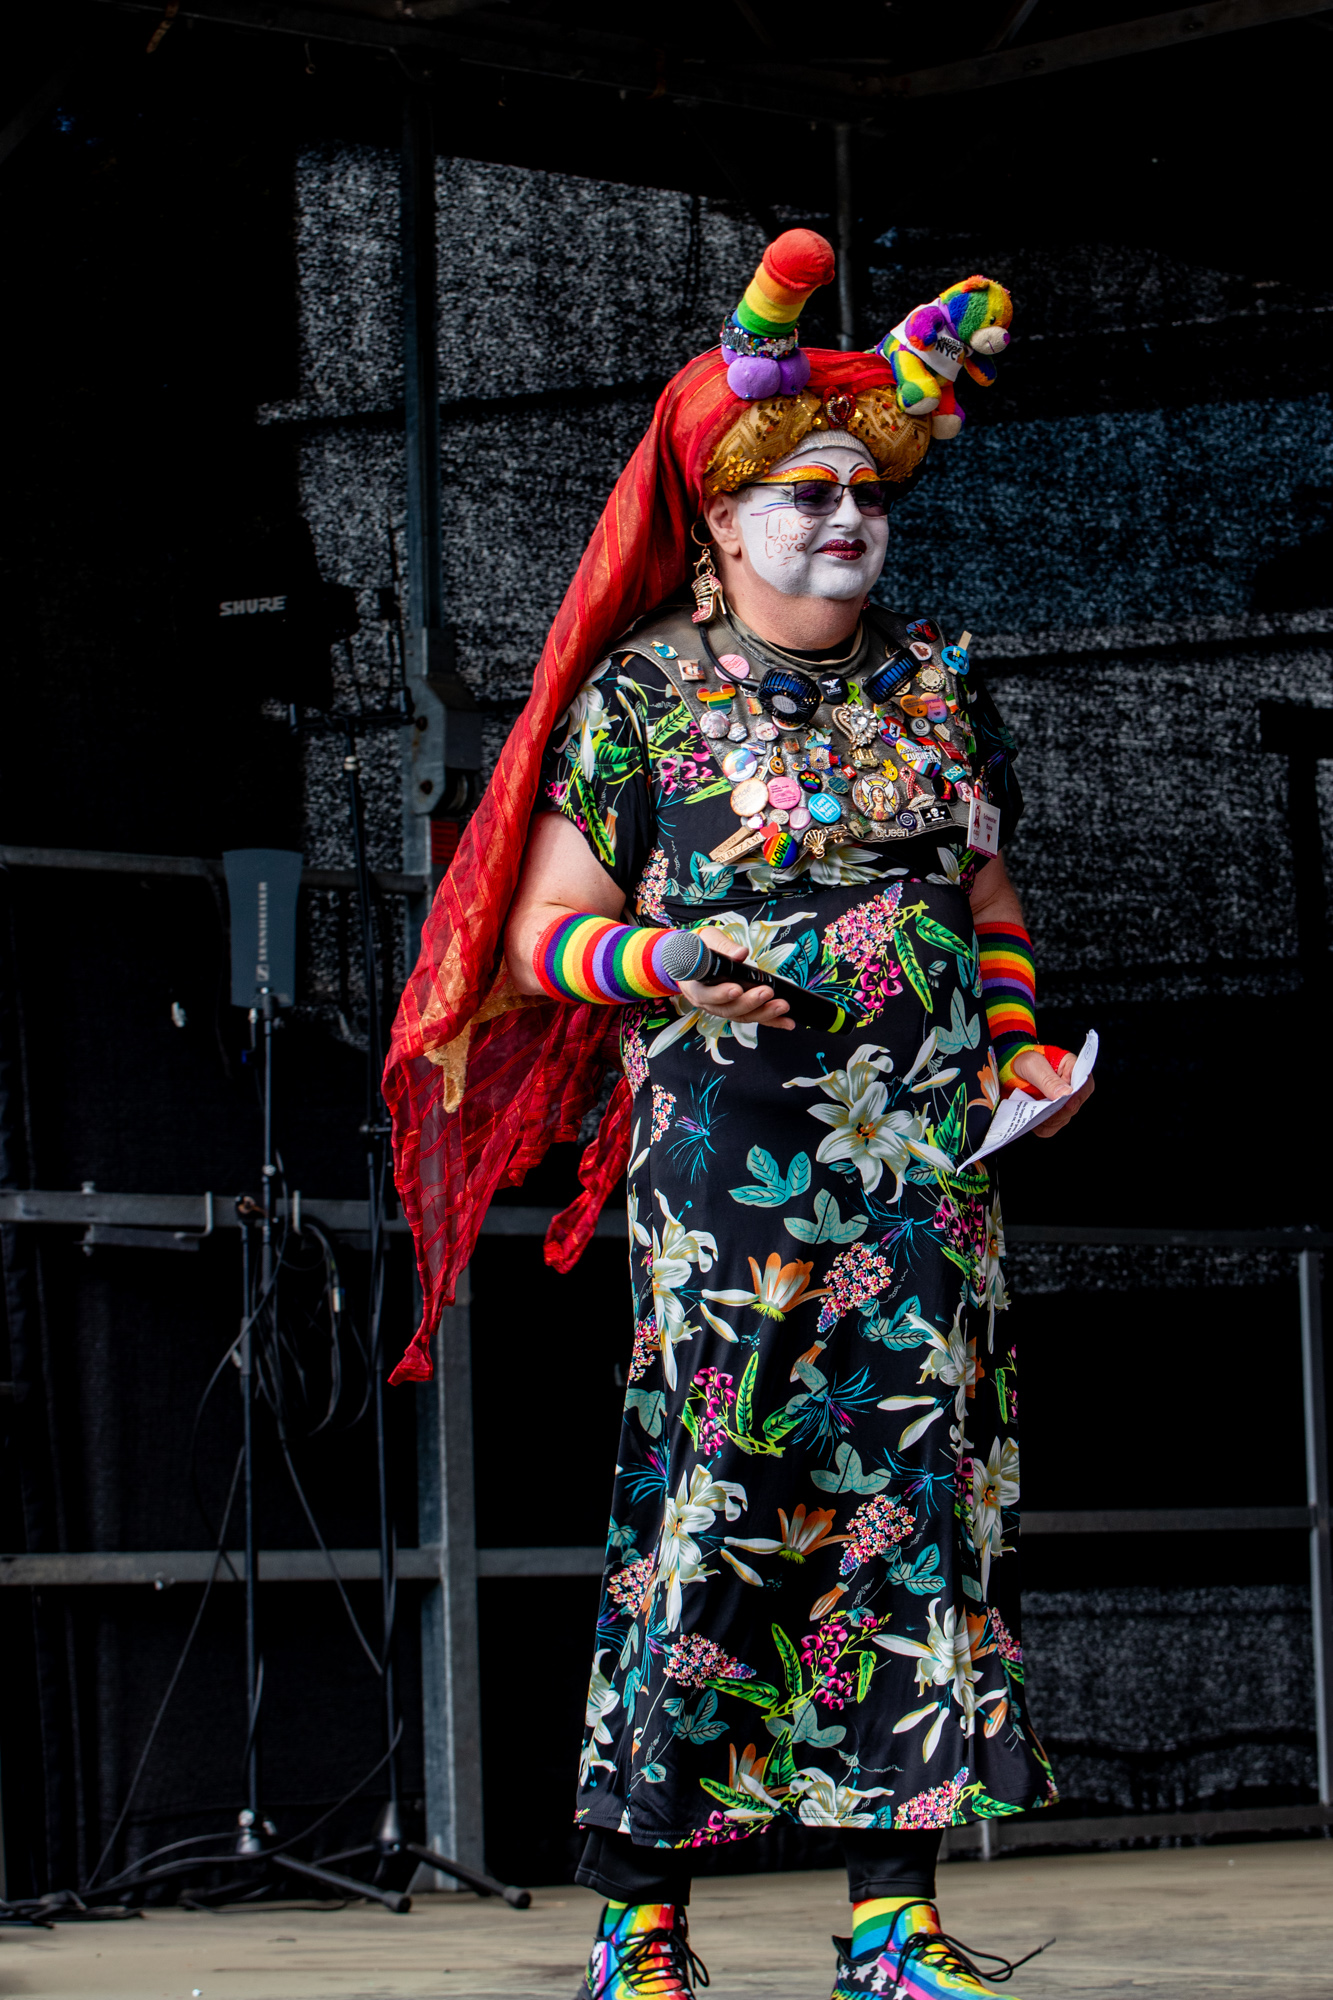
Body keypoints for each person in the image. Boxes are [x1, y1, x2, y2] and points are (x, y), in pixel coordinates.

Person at [385, 232, 1091, 2000]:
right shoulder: (642, 698)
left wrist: (1015, 1054)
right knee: (721, 1502)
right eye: (805, 492)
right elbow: (540, 937)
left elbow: (987, 906)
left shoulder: (935, 681)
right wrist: (672, 961)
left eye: (867, 491)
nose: (846, 517)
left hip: (924, 1179)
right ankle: (641, 1926)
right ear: (713, 520)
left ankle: (891, 1923)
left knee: (912, 1508)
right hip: (734, 1181)